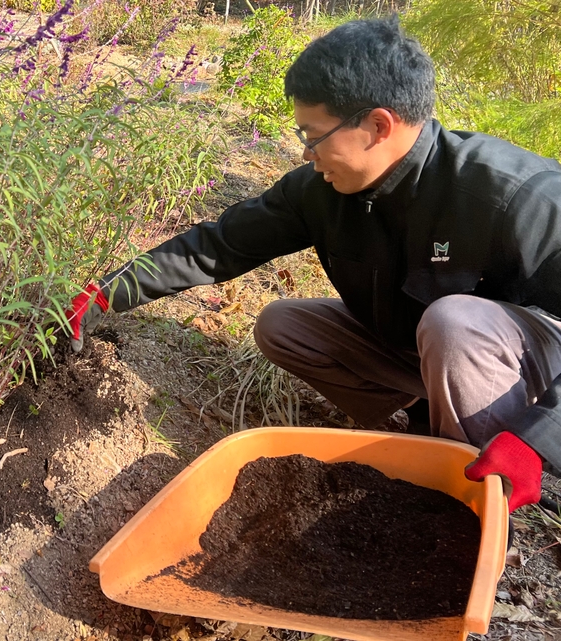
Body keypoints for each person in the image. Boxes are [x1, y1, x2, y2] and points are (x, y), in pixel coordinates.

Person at [67, 15, 561, 513]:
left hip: (521, 364)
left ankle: (475, 504)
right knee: (282, 324)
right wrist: (107, 293)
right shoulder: (322, 191)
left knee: (454, 322)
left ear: (377, 126)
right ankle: (423, 420)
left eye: (314, 134)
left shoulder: (513, 195)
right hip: (421, 350)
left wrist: (537, 438)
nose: (305, 152)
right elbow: (216, 246)